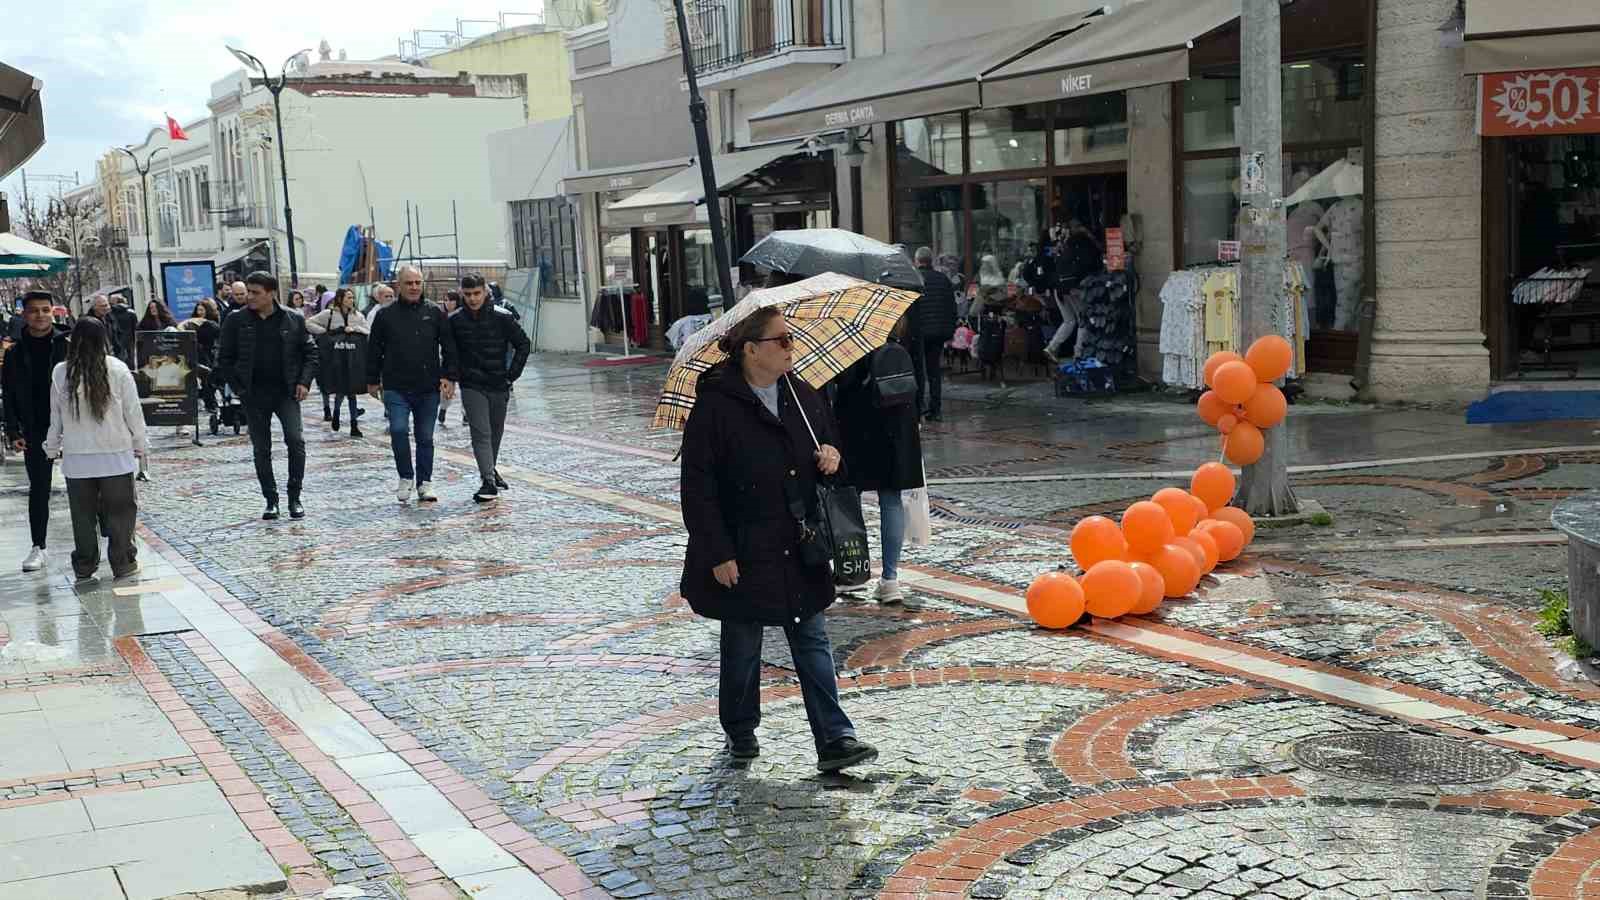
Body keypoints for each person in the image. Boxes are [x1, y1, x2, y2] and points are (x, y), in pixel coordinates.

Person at [678, 306, 879, 773]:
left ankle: (835, 738)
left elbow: (835, 456)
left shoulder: (802, 395)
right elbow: (698, 488)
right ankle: (740, 730)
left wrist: (832, 457)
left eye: (791, 339)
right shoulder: (715, 405)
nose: (792, 347)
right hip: (745, 547)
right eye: (781, 340)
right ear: (750, 350)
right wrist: (718, 552)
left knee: (811, 638)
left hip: (799, 542)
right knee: (743, 644)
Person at [42, 317, 147, 580]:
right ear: (104, 340)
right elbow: (133, 413)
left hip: (78, 458)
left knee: (83, 516)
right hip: (115, 454)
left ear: (73, 340)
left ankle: (85, 565)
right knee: (121, 512)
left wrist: (51, 447)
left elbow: (55, 417)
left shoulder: (60, 372)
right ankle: (122, 561)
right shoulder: (118, 369)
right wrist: (140, 444)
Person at [833, 319, 925, 603]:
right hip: (899, 423)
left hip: (857, 425)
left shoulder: (852, 341)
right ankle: (890, 580)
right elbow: (918, 378)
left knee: (849, 498)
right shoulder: (903, 333)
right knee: (891, 498)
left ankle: (852, 573)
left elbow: (844, 383)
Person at [216, 270, 319, 520]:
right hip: (253, 394)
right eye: (248, 292)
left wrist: (304, 382)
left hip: (286, 392)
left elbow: (311, 353)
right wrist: (239, 388)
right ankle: (270, 500)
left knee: (296, 441)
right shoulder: (236, 320)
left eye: (255, 293)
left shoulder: (292, 319)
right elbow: (224, 359)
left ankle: (294, 497)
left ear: (271, 293)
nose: (249, 297)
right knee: (261, 448)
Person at [367, 265, 455, 504]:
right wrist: (372, 380)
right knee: (397, 430)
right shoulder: (385, 315)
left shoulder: (435, 312)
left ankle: (424, 483)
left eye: (418, 283)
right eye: (409, 283)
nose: (414, 287)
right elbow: (374, 349)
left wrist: (448, 376)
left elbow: (448, 347)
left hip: (428, 387)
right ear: (399, 285)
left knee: (425, 437)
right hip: (396, 386)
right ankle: (405, 476)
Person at [2, 291, 70, 572]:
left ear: (52, 312)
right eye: (34, 311)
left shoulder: (67, 345)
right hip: (34, 427)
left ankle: (102, 540)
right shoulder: (15, 352)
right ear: (24, 314)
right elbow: (9, 394)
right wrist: (13, 430)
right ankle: (38, 546)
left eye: (45, 310)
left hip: (72, 424)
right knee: (39, 488)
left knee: (87, 485)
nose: (40, 315)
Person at [447, 274, 530, 503]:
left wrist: (511, 376)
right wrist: (450, 378)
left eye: (476, 293)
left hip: (498, 383)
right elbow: (450, 354)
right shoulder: (455, 321)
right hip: (472, 384)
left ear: (485, 292)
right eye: (468, 294)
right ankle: (488, 481)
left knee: (495, 432)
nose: (473, 299)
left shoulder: (503, 317)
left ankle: (490, 470)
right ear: (462, 294)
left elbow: (524, 344)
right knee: (480, 432)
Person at [305, 288, 368, 436]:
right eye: (348, 297)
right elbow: (308, 323)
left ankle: (354, 425)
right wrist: (327, 333)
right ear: (340, 299)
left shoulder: (358, 315)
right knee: (340, 391)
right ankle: (336, 413)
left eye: (352, 298)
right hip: (335, 358)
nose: (351, 300)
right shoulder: (329, 314)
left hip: (352, 358)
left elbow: (367, 330)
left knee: (352, 392)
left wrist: (354, 329)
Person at [907, 247, 958, 422]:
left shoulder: (914, 280)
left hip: (920, 332)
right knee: (934, 371)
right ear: (931, 261)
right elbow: (951, 307)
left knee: (919, 371)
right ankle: (935, 409)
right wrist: (949, 330)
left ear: (917, 261)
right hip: (938, 333)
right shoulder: (943, 279)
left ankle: (919, 407)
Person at [181, 299, 222, 413]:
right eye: (198, 310)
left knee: (210, 378)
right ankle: (209, 403)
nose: (200, 312)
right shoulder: (192, 323)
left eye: (202, 310)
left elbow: (217, 334)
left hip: (210, 353)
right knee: (205, 378)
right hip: (198, 353)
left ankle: (211, 400)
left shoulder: (211, 322)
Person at [436, 290, 463, 427]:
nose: (448, 303)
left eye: (451, 300)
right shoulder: (442, 317)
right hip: (447, 358)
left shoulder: (462, 316)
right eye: (445, 300)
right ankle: (443, 409)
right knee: (447, 386)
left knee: (466, 388)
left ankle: (466, 414)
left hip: (463, 358)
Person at [108, 294, 138, 366]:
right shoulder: (131, 312)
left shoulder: (110, 313)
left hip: (115, 341)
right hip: (130, 340)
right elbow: (136, 328)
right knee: (130, 361)